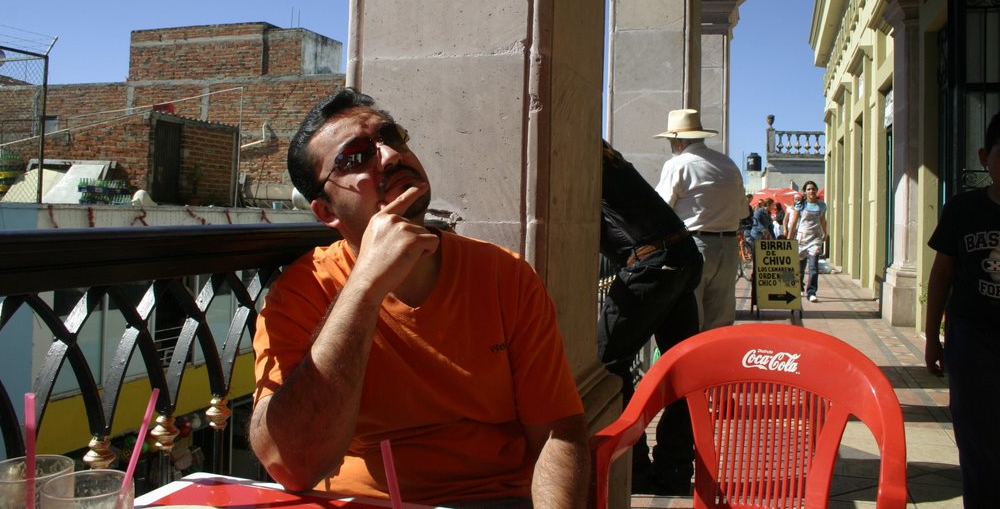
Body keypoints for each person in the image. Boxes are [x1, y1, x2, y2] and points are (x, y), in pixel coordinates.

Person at [249, 88, 589, 508]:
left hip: (492, 498)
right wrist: (364, 287)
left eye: (391, 137)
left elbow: (559, 432)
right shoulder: (301, 291)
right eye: (355, 157)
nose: (391, 156)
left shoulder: (505, 275)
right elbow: (293, 465)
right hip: (360, 501)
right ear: (326, 212)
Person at [598, 139, 702, 496]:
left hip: (656, 264)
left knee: (607, 363)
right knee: (683, 371)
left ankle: (634, 467)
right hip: (680, 256)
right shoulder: (614, 163)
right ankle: (673, 469)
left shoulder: (585, 164)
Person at [925, 112, 1000, 509]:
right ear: (984, 157)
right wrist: (932, 338)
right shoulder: (963, 209)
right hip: (971, 338)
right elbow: (942, 275)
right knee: (976, 438)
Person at [655, 109, 750, 331]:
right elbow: (742, 212)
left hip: (694, 246)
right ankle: (715, 364)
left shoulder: (677, 164)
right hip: (727, 248)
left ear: (677, 142)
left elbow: (661, 210)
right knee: (720, 323)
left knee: (689, 319)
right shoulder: (728, 164)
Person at [788, 180, 828, 302]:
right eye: (808, 189)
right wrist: (789, 238)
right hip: (801, 239)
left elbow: (822, 221)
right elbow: (794, 222)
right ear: (805, 192)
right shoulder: (800, 205)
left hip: (815, 239)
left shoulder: (822, 205)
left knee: (813, 267)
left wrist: (825, 233)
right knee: (799, 268)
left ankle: (811, 292)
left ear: (816, 191)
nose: (811, 191)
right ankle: (799, 286)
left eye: (813, 189)